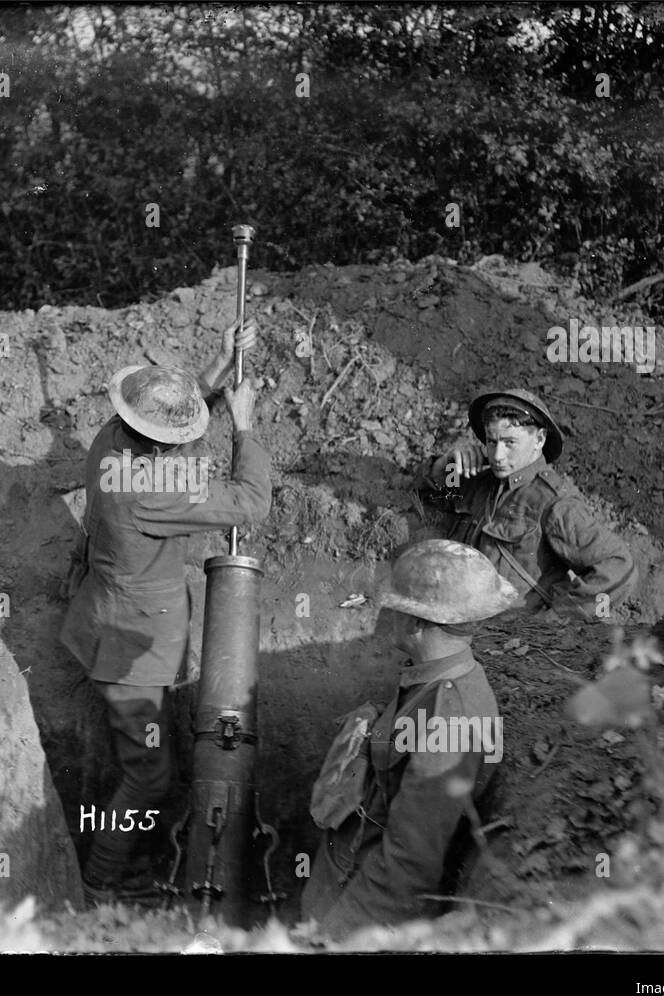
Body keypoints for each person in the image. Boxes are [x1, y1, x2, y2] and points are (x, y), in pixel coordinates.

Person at [59, 319, 272, 905]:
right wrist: (245, 425)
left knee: (147, 762)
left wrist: (222, 363)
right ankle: (104, 878)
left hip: (111, 620)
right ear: (162, 446)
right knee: (148, 776)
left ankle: (123, 864)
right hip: (131, 649)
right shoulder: (153, 491)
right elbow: (249, 502)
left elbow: (170, 421)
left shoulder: (112, 439)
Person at [301, 539, 520, 941]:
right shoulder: (434, 680)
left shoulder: (452, 716)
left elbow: (410, 863)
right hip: (343, 877)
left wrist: (331, 938)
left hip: (360, 912)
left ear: (417, 622)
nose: (389, 616)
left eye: (397, 608)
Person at [417, 388, 636, 619]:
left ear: (539, 439)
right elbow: (431, 497)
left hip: (510, 634)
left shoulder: (554, 502)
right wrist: (448, 464)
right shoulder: (481, 483)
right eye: (492, 442)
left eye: (510, 442)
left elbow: (620, 567)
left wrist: (555, 622)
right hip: (459, 619)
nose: (498, 455)